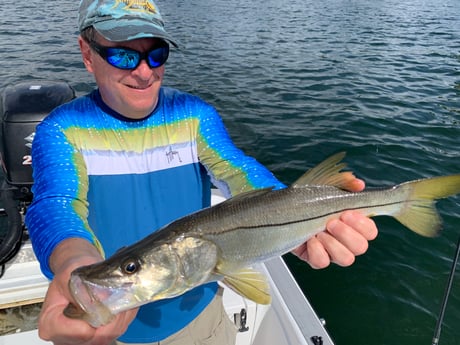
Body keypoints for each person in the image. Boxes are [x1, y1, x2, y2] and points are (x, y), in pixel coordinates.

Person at [25, 0, 378, 344]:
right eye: (123, 55)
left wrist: (295, 221)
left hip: (199, 320)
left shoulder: (192, 114)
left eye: (156, 53)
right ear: (88, 54)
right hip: (105, 332)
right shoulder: (63, 127)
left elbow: (239, 172)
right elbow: (56, 205)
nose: (144, 71)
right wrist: (75, 262)